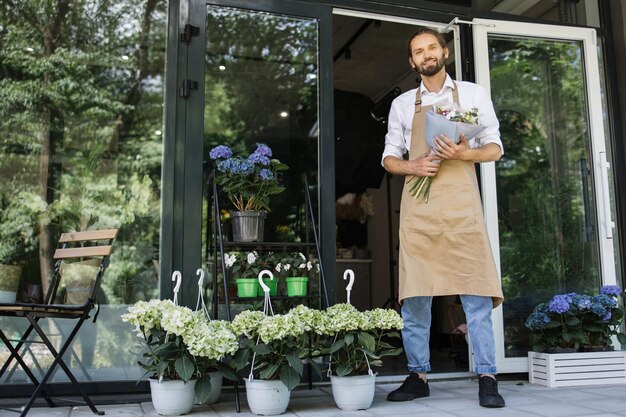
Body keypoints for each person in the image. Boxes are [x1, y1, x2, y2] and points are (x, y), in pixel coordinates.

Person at [381, 28, 505, 408]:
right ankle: (417, 375)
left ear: (444, 51)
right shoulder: (403, 103)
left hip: (461, 206)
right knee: (416, 295)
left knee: (475, 291)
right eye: (418, 51)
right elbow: (388, 159)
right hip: (420, 210)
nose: (426, 55)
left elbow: (495, 148)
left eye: (431, 47)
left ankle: (486, 376)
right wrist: (413, 164)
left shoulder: (472, 94)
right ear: (412, 61)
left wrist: (462, 154)